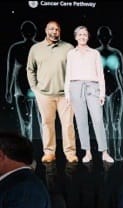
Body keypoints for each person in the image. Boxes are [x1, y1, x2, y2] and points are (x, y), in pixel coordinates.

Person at [26, 21, 76, 164]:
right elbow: (30, 69)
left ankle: (70, 153)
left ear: (60, 31)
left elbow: (76, 69)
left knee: (68, 124)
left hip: (65, 95)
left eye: (57, 29)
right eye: (52, 29)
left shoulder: (68, 48)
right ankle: (49, 153)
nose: (55, 32)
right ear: (46, 30)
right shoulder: (36, 49)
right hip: (44, 95)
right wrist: (34, 88)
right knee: (47, 124)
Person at [64, 26, 113, 164]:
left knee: (98, 119)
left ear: (88, 37)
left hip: (93, 86)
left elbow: (100, 73)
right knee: (81, 121)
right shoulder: (71, 53)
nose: (82, 37)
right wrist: (67, 92)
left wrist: (102, 93)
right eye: (80, 34)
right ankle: (87, 152)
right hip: (75, 86)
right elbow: (68, 73)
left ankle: (104, 152)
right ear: (76, 37)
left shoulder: (94, 53)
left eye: (85, 34)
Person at [96, 25, 123, 162]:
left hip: (116, 90)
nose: (105, 38)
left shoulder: (116, 53)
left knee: (115, 123)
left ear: (110, 37)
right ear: (99, 38)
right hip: (100, 92)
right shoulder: (94, 53)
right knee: (104, 124)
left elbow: (122, 74)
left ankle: (117, 152)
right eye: (102, 36)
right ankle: (107, 153)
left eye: (107, 36)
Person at [5, 21, 39, 141]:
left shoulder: (38, 48)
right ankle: (28, 146)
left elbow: (11, 70)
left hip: (32, 87)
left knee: (34, 121)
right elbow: (10, 70)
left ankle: (38, 147)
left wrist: (8, 90)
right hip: (24, 87)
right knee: (27, 121)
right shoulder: (17, 48)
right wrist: (8, 90)